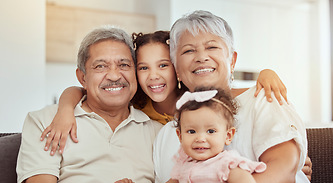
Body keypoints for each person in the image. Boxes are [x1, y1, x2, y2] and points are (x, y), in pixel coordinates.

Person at [152, 10, 333, 183]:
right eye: (188, 50)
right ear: (177, 69)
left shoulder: (263, 98)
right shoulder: (168, 134)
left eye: (212, 47)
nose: (201, 57)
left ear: (232, 60)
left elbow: (284, 169)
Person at [11, 26, 162, 183]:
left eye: (124, 65)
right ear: (82, 77)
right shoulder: (47, 121)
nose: (114, 75)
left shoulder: (160, 132)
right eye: (101, 66)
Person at [40, 31, 289, 156]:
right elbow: (80, 90)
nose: (153, 76)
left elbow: (243, 96)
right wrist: (64, 110)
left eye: (163, 65)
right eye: (143, 67)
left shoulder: (199, 98)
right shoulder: (135, 109)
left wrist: (266, 74)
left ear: (177, 68)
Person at [77, 87, 267, 183]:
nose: (201, 139)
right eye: (192, 132)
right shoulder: (185, 164)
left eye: (210, 131)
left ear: (228, 135)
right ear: (179, 135)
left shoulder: (228, 163)